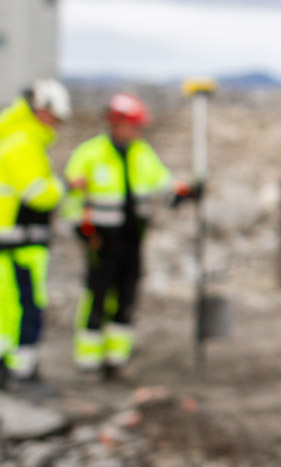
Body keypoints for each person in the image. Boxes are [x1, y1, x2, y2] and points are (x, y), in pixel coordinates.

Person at [64, 92, 201, 376]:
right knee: (97, 295)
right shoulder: (89, 154)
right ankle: (89, 359)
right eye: (132, 125)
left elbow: (163, 183)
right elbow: (72, 198)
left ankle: (116, 358)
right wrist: (81, 226)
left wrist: (185, 192)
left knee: (126, 297)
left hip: (132, 238)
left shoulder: (141, 153)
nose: (136, 131)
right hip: (100, 239)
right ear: (115, 123)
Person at [0, 79, 71, 389]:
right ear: (42, 110)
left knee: (5, 303)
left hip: (9, 235)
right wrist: (65, 186)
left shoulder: (17, 137)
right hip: (21, 238)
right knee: (26, 303)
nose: (57, 125)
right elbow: (39, 194)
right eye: (55, 117)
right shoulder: (23, 142)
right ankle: (23, 370)